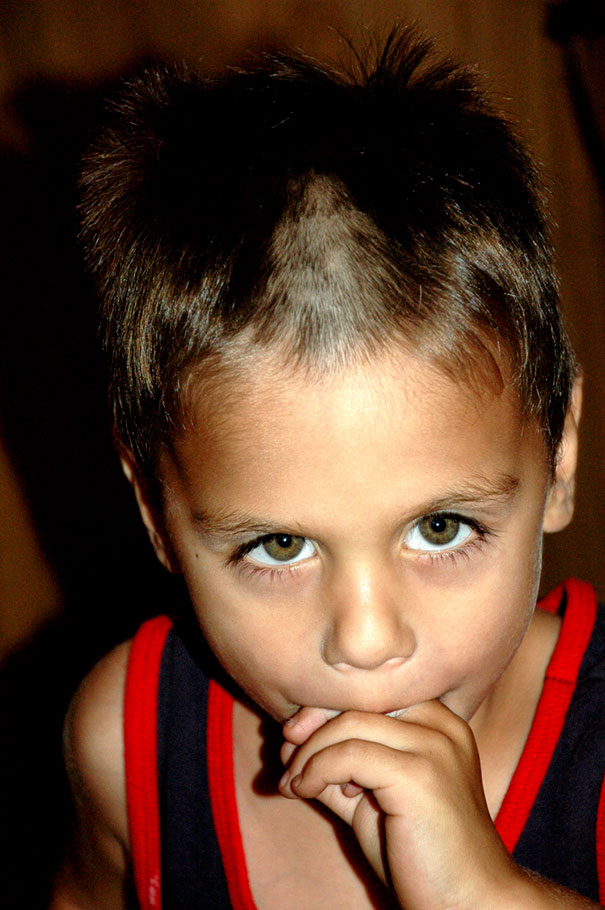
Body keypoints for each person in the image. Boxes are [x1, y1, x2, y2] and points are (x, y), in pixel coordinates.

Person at [50, 27, 605, 910]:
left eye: (439, 527)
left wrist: (480, 894)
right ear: (156, 512)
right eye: (278, 546)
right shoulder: (127, 741)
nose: (367, 639)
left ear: (559, 454)